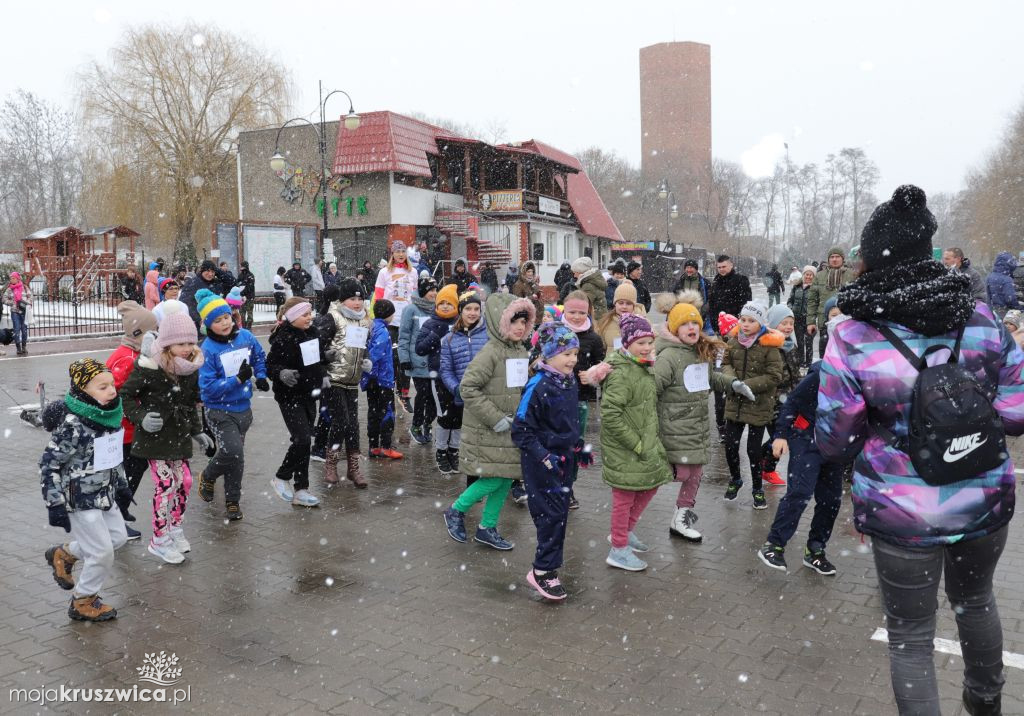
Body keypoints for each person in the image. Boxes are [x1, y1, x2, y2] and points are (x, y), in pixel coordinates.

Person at [816, 184, 1024, 715]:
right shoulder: (981, 318)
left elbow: (834, 437)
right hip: (983, 497)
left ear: (872, 259)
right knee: (976, 602)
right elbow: (1017, 413)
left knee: (909, 634)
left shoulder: (854, 334)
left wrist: (889, 432)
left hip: (901, 507)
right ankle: (986, 705)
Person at [654, 292, 752, 542]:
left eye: (696, 323)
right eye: (686, 324)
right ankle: (626, 524)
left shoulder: (700, 352)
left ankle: (681, 519)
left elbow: (709, 378)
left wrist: (733, 384)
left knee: (694, 475)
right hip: (674, 427)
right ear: (675, 328)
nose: (692, 328)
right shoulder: (668, 356)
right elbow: (651, 388)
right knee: (676, 473)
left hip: (696, 427)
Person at [41, 358, 132, 622]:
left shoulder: (108, 415)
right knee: (102, 553)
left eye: (111, 384)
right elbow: (49, 464)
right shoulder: (74, 424)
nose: (111, 391)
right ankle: (83, 600)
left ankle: (64, 553)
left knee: (118, 539)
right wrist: (54, 502)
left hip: (104, 493)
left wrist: (122, 486)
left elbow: (113, 454)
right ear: (83, 391)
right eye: (102, 387)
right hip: (79, 499)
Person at [442, 295, 534, 551]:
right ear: (499, 321)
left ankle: (487, 527)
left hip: (511, 428)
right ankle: (455, 511)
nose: (519, 326)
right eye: (514, 320)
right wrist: (495, 418)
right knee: (494, 478)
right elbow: (467, 388)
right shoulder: (491, 352)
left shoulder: (519, 350)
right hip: (489, 429)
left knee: (506, 478)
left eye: (524, 321)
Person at [119, 302, 209, 563]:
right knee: (166, 484)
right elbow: (125, 395)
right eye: (181, 344)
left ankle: (174, 528)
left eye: (190, 343)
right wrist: (141, 418)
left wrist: (197, 431)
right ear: (168, 344)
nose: (187, 348)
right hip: (154, 439)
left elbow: (190, 402)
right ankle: (158, 540)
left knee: (186, 483)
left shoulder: (190, 367)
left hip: (179, 435)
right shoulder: (149, 366)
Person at [511, 322, 585, 601]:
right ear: (549, 354)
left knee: (560, 514)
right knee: (549, 515)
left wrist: (577, 444)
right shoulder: (538, 385)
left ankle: (550, 567)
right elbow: (520, 431)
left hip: (564, 460)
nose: (573, 360)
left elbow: (569, 419)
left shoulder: (568, 381)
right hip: (541, 463)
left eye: (575, 354)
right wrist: (544, 456)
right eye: (567, 354)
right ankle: (542, 571)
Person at [758, 359, 847, 576]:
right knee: (800, 492)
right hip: (807, 439)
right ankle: (773, 545)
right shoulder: (822, 375)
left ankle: (815, 550)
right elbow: (792, 403)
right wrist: (780, 435)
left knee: (832, 499)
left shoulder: (867, 377)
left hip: (836, 443)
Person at [601, 313, 672, 571]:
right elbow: (610, 414)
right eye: (641, 343)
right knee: (624, 496)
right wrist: (636, 443)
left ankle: (625, 533)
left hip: (644, 442)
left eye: (649, 342)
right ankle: (618, 549)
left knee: (650, 485)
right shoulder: (622, 372)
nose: (647, 347)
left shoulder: (641, 366)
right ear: (627, 343)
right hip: (625, 447)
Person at [194, 289, 270, 521]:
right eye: (217, 320)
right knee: (232, 451)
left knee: (237, 457)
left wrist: (261, 375)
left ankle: (232, 501)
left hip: (243, 408)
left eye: (226, 317)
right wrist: (236, 379)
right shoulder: (207, 349)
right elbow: (207, 388)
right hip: (218, 410)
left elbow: (258, 355)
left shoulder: (245, 336)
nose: (224, 323)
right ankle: (207, 475)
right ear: (208, 325)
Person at [267, 297, 329, 508]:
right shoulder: (283, 338)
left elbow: (316, 358)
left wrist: (326, 359)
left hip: (310, 394)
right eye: (304, 314)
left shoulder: (313, 333)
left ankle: (301, 489)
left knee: (304, 442)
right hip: (289, 396)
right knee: (302, 439)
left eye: (310, 313)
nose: (309, 318)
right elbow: (270, 366)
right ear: (293, 317)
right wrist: (281, 372)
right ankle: (281, 477)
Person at [104, 301, 159, 541]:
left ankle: (119, 512)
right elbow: (114, 394)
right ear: (139, 333)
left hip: (131, 428)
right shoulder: (127, 358)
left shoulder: (136, 353)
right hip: (125, 430)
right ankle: (115, 518)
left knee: (133, 470)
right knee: (129, 473)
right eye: (153, 330)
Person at [721, 301, 784, 509]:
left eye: (751, 321)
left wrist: (747, 386)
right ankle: (735, 479)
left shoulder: (769, 345)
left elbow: (774, 375)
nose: (746, 324)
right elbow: (726, 364)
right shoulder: (733, 341)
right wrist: (733, 383)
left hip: (758, 405)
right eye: (743, 319)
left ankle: (757, 488)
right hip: (735, 403)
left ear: (761, 323)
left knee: (753, 451)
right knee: (730, 445)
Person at [316, 278, 371, 487]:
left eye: (360, 298)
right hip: (333, 379)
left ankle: (353, 468)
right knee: (341, 421)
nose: (357, 303)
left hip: (352, 380)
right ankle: (331, 464)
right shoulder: (333, 318)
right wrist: (324, 361)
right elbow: (317, 346)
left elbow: (361, 345)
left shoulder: (363, 320)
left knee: (354, 425)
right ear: (343, 300)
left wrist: (365, 359)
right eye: (352, 298)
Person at [559, 291, 607, 509]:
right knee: (553, 443)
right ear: (564, 310)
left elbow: (603, 365)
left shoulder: (593, 338)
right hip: (554, 399)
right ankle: (553, 483)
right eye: (572, 312)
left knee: (575, 445)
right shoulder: (554, 332)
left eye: (581, 312)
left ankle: (568, 486)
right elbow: (540, 359)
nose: (577, 316)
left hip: (579, 399)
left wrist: (593, 374)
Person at [438, 289, 488, 477]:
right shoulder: (449, 338)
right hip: (458, 392)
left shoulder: (488, 336)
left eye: (476, 308)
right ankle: (444, 452)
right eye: (468, 308)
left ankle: (457, 452)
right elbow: (446, 369)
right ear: (461, 311)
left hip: (482, 393)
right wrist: (456, 388)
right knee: (452, 421)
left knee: (474, 431)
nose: (473, 312)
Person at [416, 284, 461, 472]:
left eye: (448, 303)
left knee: (459, 416)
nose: (444, 306)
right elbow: (420, 349)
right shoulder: (430, 323)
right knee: (444, 414)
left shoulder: (461, 323)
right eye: (441, 302)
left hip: (459, 378)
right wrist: (436, 334)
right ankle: (441, 451)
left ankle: (454, 450)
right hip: (439, 377)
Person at [757, 303, 802, 486]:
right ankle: (764, 466)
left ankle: (762, 464)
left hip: (789, 400)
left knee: (784, 436)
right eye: (784, 323)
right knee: (781, 436)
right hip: (772, 401)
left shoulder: (791, 346)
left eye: (791, 323)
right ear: (774, 325)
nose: (788, 327)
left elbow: (795, 373)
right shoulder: (768, 347)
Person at [374, 241, 418, 411]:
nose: (401, 254)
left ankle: (404, 393)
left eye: (403, 251)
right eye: (398, 251)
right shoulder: (384, 272)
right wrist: (376, 317)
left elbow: (415, 295)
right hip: (390, 320)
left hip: (407, 320)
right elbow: (378, 295)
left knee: (406, 359)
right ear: (392, 254)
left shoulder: (412, 272)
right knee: (392, 357)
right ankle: (389, 389)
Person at [398, 276, 438, 446]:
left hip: (435, 361)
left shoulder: (438, 309)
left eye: (436, 290)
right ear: (423, 291)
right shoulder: (411, 310)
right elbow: (404, 336)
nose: (434, 293)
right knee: (423, 395)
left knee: (435, 397)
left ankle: (428, 423)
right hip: (418, 361)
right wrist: (404, 358)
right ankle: (416, 426)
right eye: (431, 290)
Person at [361, 299, 401, 460]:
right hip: (382, 380)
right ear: (389, 314)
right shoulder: (383, 331)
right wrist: (375, 375)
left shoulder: (372, 326)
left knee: (373, 412)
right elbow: (375, 355)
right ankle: (385, 446)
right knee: (387, 412)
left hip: (372, 380)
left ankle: (374, 446)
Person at [806, 247, 851, 357]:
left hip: (847, 322)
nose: (834, 259)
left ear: (842, 259)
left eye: (837, 257)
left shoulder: (851, 274)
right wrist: (811, 322)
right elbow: (812, 300)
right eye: (832, 257)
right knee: (825, 354)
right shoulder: (820, 276)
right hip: (825, 322)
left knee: (845, 354)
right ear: (828, 259)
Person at [595, 282, 646, 352]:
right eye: (621, 303)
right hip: (611, 362)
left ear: (634, 305)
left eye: (628, 303)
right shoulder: (606, 322)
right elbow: (599, 349)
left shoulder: (644, 323)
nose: (624, 307)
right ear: (615, 304)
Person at [707, 255, 752, 332]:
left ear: (731, 265)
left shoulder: (741, 280)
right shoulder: (715, 282)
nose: (721, 269)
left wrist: (738, 321)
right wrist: (714, 322)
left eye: (724, 267)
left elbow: (746, 304)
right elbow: (712, 303)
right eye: (719, 267)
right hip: (718, 325)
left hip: (735, 325)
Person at [787, 266, 818, 367]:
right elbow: (790, 301)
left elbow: (817, 304)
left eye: (810, 275)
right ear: (803, 275)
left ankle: (809, 363)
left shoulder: (815, 288)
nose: (808, 277)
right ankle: (800, 362)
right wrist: (791, 309)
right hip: (797, 319)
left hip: (809, 319)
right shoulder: (796, 286)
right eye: (806, 274)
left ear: (814, 276)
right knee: (799, 341)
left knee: (809, 342)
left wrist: (813, 316)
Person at [180, 260, 222, 329]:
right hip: (198, 324)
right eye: (208, 271)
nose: (210, 274)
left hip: (215, 321)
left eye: (213, 272)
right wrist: (199, 319)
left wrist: (219, 271)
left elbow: (232, 282)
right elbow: (185, 302)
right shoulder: (192, 282)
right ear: (202, 270)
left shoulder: (216, 283)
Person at [673, 259, 711, 332]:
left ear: (696, 269)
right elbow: (675, 296)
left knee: (698, 334)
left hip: (699, 314)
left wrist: (703, 310)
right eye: (687, 268)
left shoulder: (705, 282)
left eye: (691, 268)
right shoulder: (680, 281)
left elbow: (709, 299)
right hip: (683, 314)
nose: (689, 270)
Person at [2, 271, 32, 356]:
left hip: (24, 312)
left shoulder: (25, 288)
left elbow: (30, 297)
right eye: (11, 278)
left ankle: (24, 346)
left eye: (13, 278)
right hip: (15, 312)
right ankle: (18, 348)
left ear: (18, 279)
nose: (11, 280)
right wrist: (11, 303)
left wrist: (27, 303)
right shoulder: (9, 289)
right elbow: (3, 299)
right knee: (16, 330)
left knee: (24, 330)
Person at [571, 256, 608, 321]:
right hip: (600, 315)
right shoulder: (591, 281)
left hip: (596, 318)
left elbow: (583, 303)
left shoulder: (588, 285)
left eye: (575, 273)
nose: (574, 275)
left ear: (581, 272)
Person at [986, 251, 1021, 319]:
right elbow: (1010, 299)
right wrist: (1019, 307)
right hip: (1006, 313)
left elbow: (987, 297)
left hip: (993, 312)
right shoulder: (1007, 279)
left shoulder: (990, 277)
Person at [511, 260, 544, 325]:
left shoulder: (533, 283)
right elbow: (518, 301)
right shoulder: (518, 285)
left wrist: (538, 292)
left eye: (532, 271)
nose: (531, 273)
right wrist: (532, 297)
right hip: (528, 318)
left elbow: (536, 294)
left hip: (538, 317)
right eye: (528, 271)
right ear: (523, 273)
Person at [236, 261, 256, 329]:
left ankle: (248, 327)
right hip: (242, 298)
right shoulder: (240, 275)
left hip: (249, 297)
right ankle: (244, 328)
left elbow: (250, 287)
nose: (241, 268)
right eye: (241, 266)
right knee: (242, 314)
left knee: (249, 314)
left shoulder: (250, 275)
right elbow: (237, 284)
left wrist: (242, 293)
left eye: (242, 266)